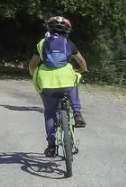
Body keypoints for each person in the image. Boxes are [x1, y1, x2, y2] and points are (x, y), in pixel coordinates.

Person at [28, 16, 89, 158]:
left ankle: (51, 146)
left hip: (46, 81)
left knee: (50, 112)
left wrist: (32, 73)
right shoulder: (69, 43)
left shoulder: (42, 43)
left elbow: (33, 64)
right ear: (67, 30)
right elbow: (81, 61)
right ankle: (77, 113)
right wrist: (83, 70)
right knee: (73, 80)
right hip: (66, 79)